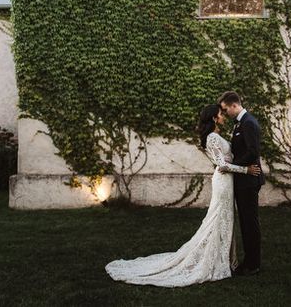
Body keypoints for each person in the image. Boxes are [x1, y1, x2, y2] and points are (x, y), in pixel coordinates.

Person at [104, 103, 261, 287]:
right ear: (214, 118)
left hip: (228, 182)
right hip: (223, 180)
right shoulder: (211, 137)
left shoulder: (215, 135)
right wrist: (246, 170)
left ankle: (225, 257)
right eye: (221, 114)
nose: (224, 116)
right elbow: (222, 165)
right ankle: (214, 259)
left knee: (226, 219)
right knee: (219, 218)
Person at [217, 90, 266, 276]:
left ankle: (253, 264)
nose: (225, 113)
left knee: (249, 223)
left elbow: (253, 152)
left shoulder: (249, 123)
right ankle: (249, 260)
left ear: (234, 105)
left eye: (225, 109)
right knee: (245, 222)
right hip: (242, 180)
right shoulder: (240, 123)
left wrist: (231, 166)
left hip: (249, 181)